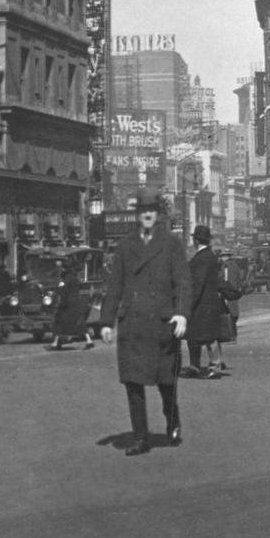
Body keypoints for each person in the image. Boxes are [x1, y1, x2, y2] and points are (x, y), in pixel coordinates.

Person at [97, 192, 192, 456]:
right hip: (133, 326)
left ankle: (172, 421)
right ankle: (140, 437)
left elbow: (183, 281)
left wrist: (182, 313)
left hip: (162, 324)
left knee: (166, 383)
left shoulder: (171, 243)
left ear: (158, 214)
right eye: (143, 211)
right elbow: (114, 285)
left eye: (151, 210)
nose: (147, 215)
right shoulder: (125, 246)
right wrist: (106, 321)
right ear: (137, 215)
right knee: (133, 383)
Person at [184, 224, 223, 378]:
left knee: (206, 337)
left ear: (195, 241)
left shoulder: (201, 258)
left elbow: (198, 284)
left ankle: (212, 366)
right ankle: (202, 366)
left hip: (201, 304)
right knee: (200, 336)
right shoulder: (210, 256)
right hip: (209, 303)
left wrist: (189, 303)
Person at [49, 258, 95, 350]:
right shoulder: (74, 277)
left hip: (67, 304)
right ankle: (89, 340)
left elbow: (63, 291)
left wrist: (55, 292)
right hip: (76, 303)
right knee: (79, 322)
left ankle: (55, 342)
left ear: (64, 268)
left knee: (59, 322)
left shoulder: (65, 279)